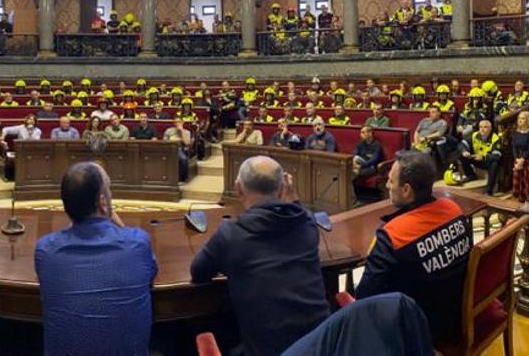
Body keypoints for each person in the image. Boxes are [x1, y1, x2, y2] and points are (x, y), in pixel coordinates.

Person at [191, 156, 329, 355]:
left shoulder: (230, 234)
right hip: (322, 345)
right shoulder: (306, 222)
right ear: (283, 188)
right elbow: (300, 212)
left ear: (238, 188)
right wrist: (293, 197)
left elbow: (198, 272)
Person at [35, 162, 156, 356]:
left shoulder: (46, 251)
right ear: (102, 202)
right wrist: (115, 221)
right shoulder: (138, 243)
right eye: (109, 189)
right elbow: (150, 272)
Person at [355, 151, 472, 343]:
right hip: (455, 313)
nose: (386, 185)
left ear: (407, 190)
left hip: (416, 331)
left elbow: (364, 298)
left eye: (391, 182)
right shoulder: (454, 210)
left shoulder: (392, 236)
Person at [457, 119, 501, 195]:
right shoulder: (475, 135)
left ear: (490, 128)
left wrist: (483, 157)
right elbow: (462, 144)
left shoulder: (495, 138)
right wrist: (464, 151)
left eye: (485, 127)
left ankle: (489, 190)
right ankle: (471, 175)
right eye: (480, 127)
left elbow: (497, 156)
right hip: (476, 158)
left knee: (495, 163)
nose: (482, 129)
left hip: (486, 161)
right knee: (461, 155)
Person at [163, 117, 192, 181]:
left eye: (179, 122)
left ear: (182, 123)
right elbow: (164, 141)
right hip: (169, 149)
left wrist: (181, 131)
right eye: (175, 122)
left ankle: (181, 178)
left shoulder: (187, 132)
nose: (177, 124)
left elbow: (187, 143)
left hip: (179, 149)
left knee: (184, 159)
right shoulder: (169, 130)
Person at [513, 111, 529, 212]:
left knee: (527, 181)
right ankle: (522, 201)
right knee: (519, 181)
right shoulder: (516, 132)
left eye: (523, 118)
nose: (520, 120)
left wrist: (523, 160)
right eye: (519, 118)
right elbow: (513, 146)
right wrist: (516, 159)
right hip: (518, 159)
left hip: (527, 159)